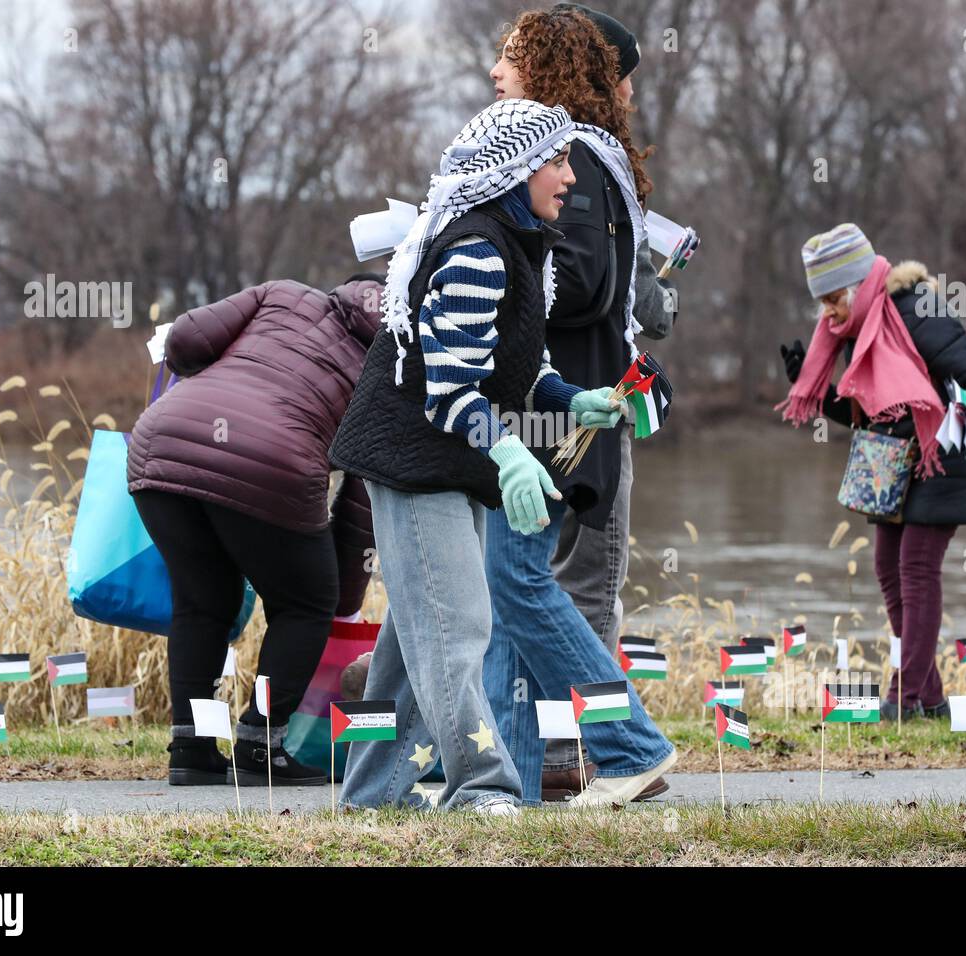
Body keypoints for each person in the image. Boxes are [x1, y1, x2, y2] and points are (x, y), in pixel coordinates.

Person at [329, 99, 626, 815]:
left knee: (413, 647)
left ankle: (373, 796)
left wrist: (566, 397)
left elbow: (515, 365)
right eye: (557, 163)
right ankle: (481, 788)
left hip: (447, 459)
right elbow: (450, 390)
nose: (569, 179)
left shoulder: (521, 245)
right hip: (413, 458)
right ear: (517, 170)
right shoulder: (476, 250)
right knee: (459, 629)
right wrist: (513, 455)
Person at [480, 4, 677, 806]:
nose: (495, 73)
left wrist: (502, 272)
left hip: (559, 405)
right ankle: (510, 775)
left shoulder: (577, 163)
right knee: (512, 590)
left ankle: (614, 749)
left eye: (509, 57)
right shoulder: (569, 156)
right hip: (549, 397)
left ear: (547, 71)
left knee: (538, 586)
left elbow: (589, 281)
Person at [127, 275, 384, 785]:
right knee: (304, 604)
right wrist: (340, 603)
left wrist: (220, 381)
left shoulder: (283, 294)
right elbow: (359, 505)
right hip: (271, 464)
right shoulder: (391, 368)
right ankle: (260, 748)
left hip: (161, 444)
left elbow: (183, 340)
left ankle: (192, 748)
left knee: (202, 602)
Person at [777, 223, 966, 719]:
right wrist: (810, 385)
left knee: (917, 569)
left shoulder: (915, 309)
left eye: (834, 298)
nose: (829, 313)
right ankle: (933, 698)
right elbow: (865, 412)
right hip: (890, 461)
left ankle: (903, 698)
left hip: (945, 452)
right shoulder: (855, 328)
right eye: (823, 302)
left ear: (858, 285)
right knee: (887, 569)